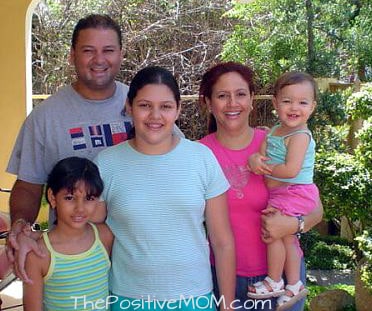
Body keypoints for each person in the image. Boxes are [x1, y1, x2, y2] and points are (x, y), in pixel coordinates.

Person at [6, 14, 183, 279]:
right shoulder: (45, 117)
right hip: (75, 264)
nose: (99, 60)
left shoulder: (146, 103)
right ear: (72, 55)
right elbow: (28, 187)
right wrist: (20, 226)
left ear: (121, 54)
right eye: (88, 51)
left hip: (144, 261)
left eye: (108, 50)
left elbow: (180, 164)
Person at [93, 66, 235, 311]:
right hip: (128, 298)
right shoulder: (106, 163)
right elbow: (91, 236)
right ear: (129, 107)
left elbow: (222, 242)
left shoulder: (201, 158)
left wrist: (228, 305)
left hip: (194, 298)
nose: (155, 116)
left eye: (166, 106)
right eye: (145, 105)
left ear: (178, 109)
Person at [198, 62, 323, 311]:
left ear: (252, 99)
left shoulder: (275, 141)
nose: (233, 103)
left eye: (241, 94)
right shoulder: (198, 154)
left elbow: (316, 210)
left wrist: (293, 225)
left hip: (283, 278)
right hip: (222, 278)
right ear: (208, 103)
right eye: (222, 96)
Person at [247, 72, 319, 310]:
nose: (294, 107)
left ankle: (275, 280)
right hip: (285, 193)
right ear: (276, 103)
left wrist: (263, 168)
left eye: (302, 102)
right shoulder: (277, 129)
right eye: (287, 101)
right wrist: (257, 157)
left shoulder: (299, 136)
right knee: (286, 238)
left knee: (276, 234)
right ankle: (294, 284)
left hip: (295, 192)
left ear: (312, 107)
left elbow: (290, 170)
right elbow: (264, 151)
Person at [23, 157, 113, 311]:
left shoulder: (105, 236)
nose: (80, 208)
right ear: (52, 197)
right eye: (70, 198)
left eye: (89, 198)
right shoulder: (39, 254)